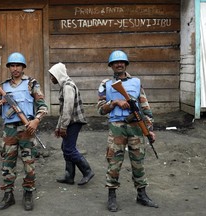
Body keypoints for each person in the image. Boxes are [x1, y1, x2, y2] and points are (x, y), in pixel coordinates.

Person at [97, 50, 158, 212]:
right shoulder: (105, 84)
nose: (119, 64)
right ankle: (111, 196)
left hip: (136, 128)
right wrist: (115, 102)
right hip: (116, 127)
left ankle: (142, 194)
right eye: (116, 62)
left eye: (122, 62)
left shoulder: (137, 82)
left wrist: (149, 129)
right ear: (111, 65)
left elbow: (145, 107)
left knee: (138, 161)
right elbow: (100, 109)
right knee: (114, 162)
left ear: (126, 64)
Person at [0, 52, 48, 211]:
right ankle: (8, 195)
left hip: (27, 128)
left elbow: (43, 107)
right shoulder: (3, 86)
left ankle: (28, 193)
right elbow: (0, 110)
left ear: (23, 67)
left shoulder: (32, 84)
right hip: (9, 130)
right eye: (12, 65)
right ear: (9, 67)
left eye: (18, 65)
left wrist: (36, 120)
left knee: (29, 163)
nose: (15, 68)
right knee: (7, 163)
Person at [48, 62, 94, 186]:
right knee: (65, 147)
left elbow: (67, 108)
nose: (51, 78)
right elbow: (63, 111)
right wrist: (59, 127)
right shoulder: (65, 85)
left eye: (52, 76)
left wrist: (63, 127)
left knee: (69, 149)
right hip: (70, 121)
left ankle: (87, 171)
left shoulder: (68, 86)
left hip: (73, 122)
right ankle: (69, 176)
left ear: (58, 75)